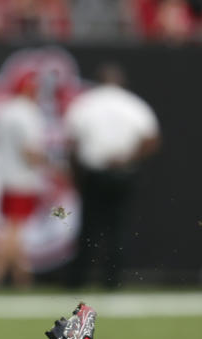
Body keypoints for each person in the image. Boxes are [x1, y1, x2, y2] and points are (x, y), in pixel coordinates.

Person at [62, 62, 159, 289]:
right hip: (123, 173)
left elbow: (72, 145)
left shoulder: (85, 104)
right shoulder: (132, 104)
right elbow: (152, 139)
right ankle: (112, 281)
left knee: (89, 229)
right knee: (118, 228)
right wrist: (128, 158)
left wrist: (76, 177)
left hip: (95, 173)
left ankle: (78, 281)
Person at [0, 68, 48, 289]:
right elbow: (30, 152)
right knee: (13, 231)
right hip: (23, 178)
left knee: (14, 230)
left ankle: (22, 279)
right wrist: (50, 165)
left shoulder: (3, 111)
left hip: (5, 176)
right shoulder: (28, 113)